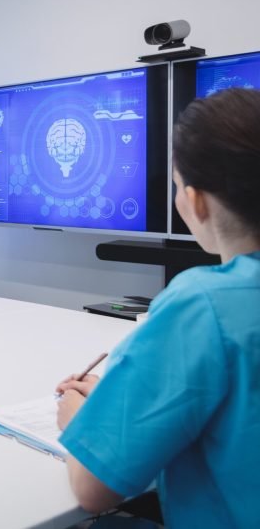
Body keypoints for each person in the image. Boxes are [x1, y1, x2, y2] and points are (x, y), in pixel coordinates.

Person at [55, 88, 260, 527]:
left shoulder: (203, 305)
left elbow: (94, 488)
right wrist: (120, 400)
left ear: (196, 200)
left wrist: (79, 416)